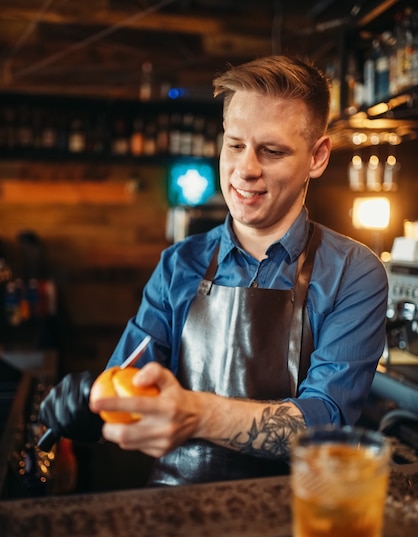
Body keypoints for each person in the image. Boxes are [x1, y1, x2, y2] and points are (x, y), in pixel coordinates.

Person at [38, 55, 388, 487]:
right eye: (235, 144)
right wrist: (92, 402)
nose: (246, 169)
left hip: (293, 520)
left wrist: (197, 414)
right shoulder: (178, 264)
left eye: (272, 151)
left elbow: (325, 422)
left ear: (317, 157)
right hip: (173, 512)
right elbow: (129, 377)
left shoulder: (354, 273)